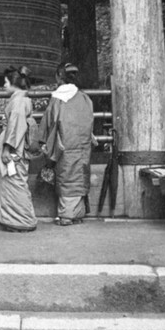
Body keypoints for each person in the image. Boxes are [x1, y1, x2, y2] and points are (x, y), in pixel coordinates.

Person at [38, 62, 96, 226]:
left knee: (66, 176)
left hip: (64, 144)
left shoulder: (57, 99)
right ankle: (77, 212)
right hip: (83, 144)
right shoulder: (85, 98)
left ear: (58, 77)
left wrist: (41, 142)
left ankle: (67, 215)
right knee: (79, 175)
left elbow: (49, 122)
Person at [0, 66, 38, 233]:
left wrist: (7, 148)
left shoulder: (18, 102)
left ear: (13, 83)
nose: (4, 85)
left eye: (6, 82)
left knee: (15, 181)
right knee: (14, 182)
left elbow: (15, 127)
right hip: (17, 147)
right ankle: (15, 219)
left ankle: (22, 220)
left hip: (14, 149)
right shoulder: (20, 100)